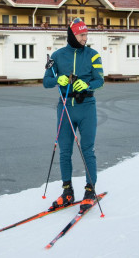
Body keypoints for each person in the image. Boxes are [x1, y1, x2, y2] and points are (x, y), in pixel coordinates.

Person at [43, 17, 104, 210]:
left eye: (86, 34)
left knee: (87, 150)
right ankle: (67, 192)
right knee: (65, 152)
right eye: (81, 34)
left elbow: (100, 80)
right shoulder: (58, 55)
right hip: (65, 108)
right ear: (72, 34)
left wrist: (87, 84)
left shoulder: (93, 55)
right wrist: (58, 80)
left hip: (86, 107)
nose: (85, 38)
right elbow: (46, 81)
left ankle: (89, 191)